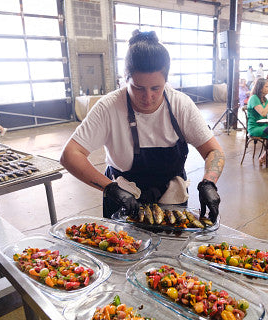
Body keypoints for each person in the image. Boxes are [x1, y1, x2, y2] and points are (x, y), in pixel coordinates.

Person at [60, 30, 224, 222]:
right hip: (123, 197)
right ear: (125, 78)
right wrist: (110, 188)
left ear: (166, 80)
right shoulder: (108, 107)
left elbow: (214, 150)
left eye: (156, 88)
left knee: (169, 248)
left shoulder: (181, 105)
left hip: (172, 197)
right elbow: (70, 154)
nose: (148, 97)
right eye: (138, 88)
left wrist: (209, 183)